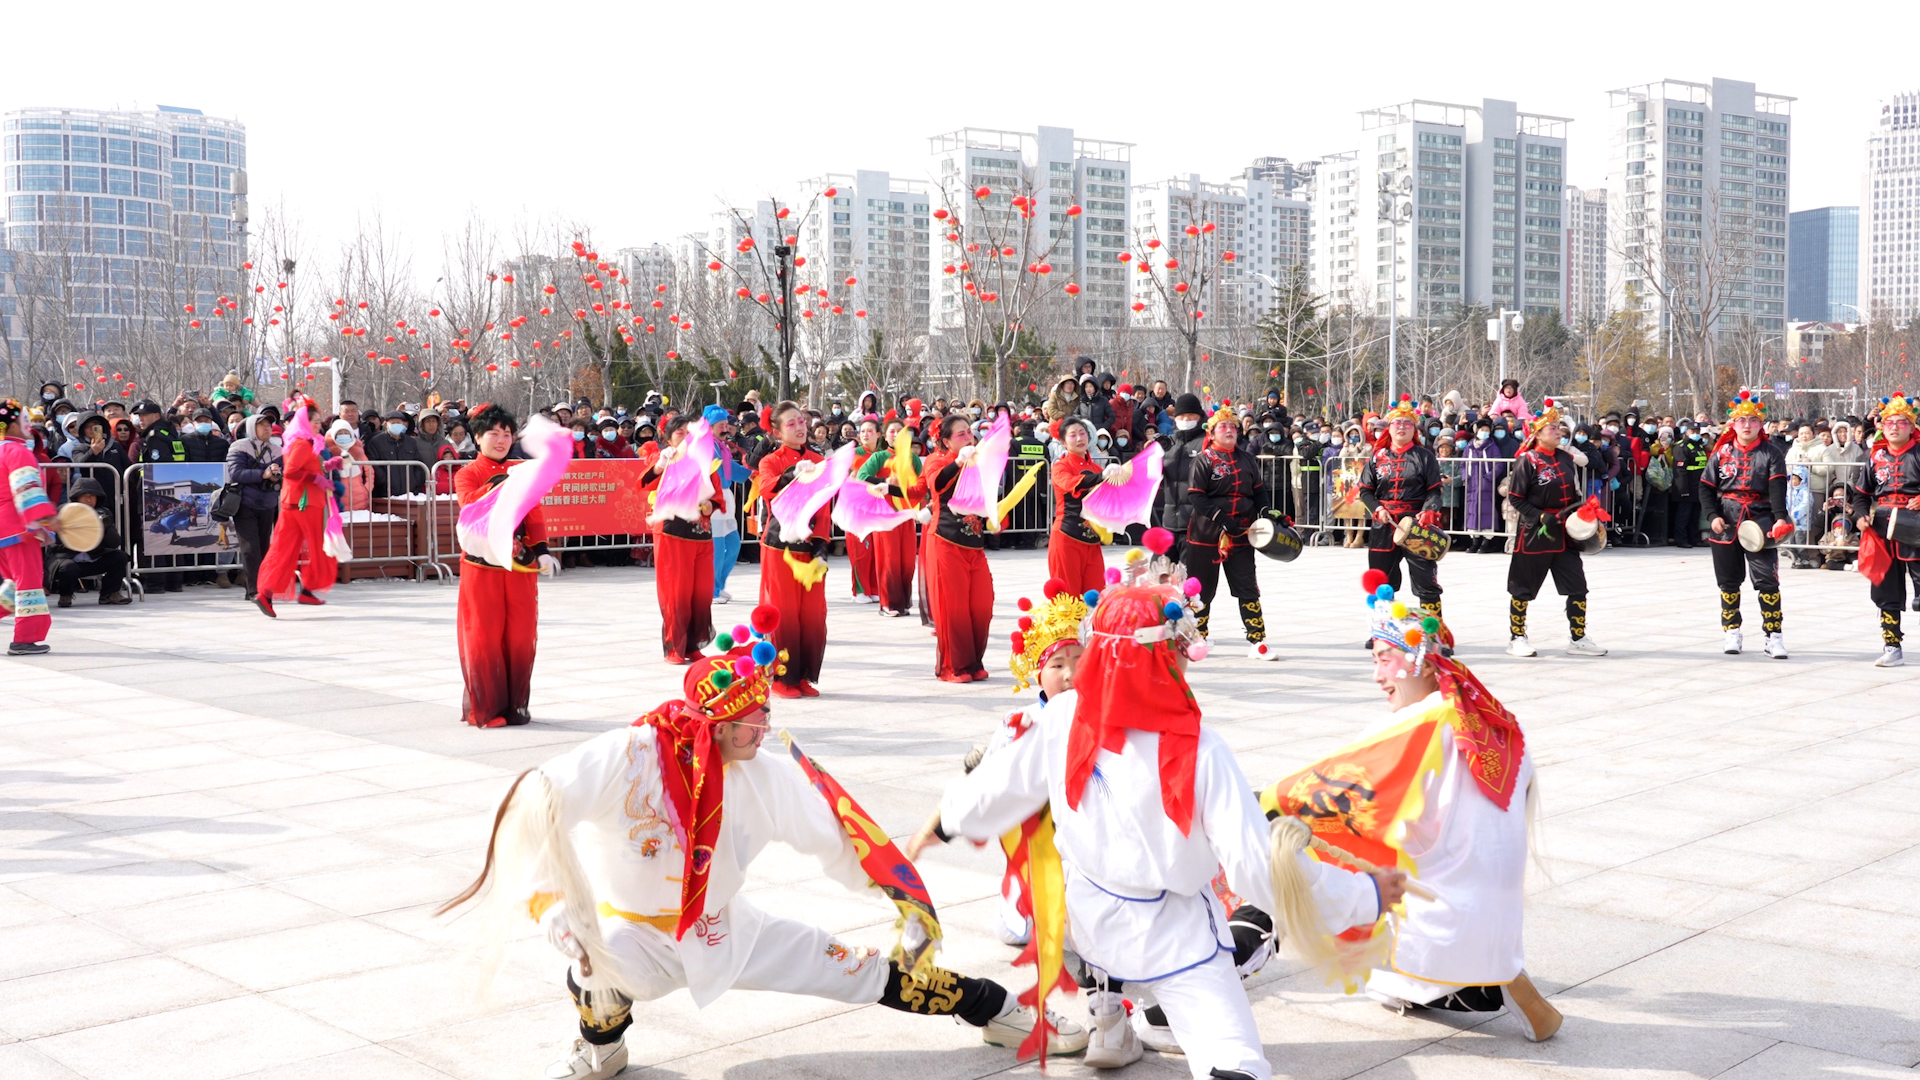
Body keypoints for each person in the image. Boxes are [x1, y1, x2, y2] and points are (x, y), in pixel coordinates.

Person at [439, 631, 1079, 1080]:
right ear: (712, 724)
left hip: (729, 929)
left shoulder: (764, 774)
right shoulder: (629, 754)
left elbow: (836, 837)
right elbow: (537, 804)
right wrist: (555, 908)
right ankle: (600, 1048)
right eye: (752, 720)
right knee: (594, 968)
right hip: (632, 932)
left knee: (858, 971)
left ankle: (998, 1010)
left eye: (766, 714)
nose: (764, 729)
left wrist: (897, 898)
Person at [913, 564, 1401, 1079]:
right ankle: (1128, 1024)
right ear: (1162, 658)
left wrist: (945, 820)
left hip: (1090, 927)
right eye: (1179, 650)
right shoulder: (1202, 752)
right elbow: (1258, 869)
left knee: (1097, 938)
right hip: (1176, 939)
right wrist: (1363, 894)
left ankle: (1108, 1018)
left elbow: (996, 788)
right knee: (1234, 1061)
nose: (1188, 660)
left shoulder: (1060, 717)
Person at [1331, 592, 1561, 1042]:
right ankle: (1492, 973)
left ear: (1423, 663)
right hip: (1496, 913)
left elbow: (1346, 804)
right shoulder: (1497, 723)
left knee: (1313, 859)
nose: (1377, 676)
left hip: (1436, 913)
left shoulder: (1402, 732)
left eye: (1385, 660)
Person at [454, 404, 561, 725]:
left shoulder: (522, 470)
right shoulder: (467, 473)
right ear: (477, 438)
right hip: (482, 567)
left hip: (520, 564)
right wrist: (502, 481)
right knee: (484, 634)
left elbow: (534, 513)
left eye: (507, 434)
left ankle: (516, 705)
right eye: (493, 433)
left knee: (520, 633)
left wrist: (542, 550)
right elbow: (469, 505)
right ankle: (485, 709)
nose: (501, 440)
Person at [1503, 400, 1606, 658]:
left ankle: (1578, 638)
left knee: (1577, 586)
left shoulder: (1565, 457)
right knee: (1522, 587)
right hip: (1535, 534)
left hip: (1564, 534)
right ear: (1537, 433)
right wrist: (1539, 516)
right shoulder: (1527, 461)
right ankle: (1517, 636)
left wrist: (1583, 509)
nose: (1558, 431)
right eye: (1551, 428)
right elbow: (1515, 497)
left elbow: (1573, 492)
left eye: (1559, 427)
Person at [1700, 392, 1792, 659]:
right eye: (1741, 420)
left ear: (1760, 423)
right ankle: (1732, 631)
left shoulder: (1771, 452)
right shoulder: (1721, 452)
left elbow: (1777, 487)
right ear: (1733, 424)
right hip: (1726, 519)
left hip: (1760, 520)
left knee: (1767, 581)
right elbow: (1706, 488)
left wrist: (1779, 518)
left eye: (1753, 420)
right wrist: (1712, 516)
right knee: (1728, 582)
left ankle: (1773, 636)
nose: (1747, 425)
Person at [1185, 409, 1278, 660]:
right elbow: (1196, 496)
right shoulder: (1203, 460)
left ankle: (1257, 641)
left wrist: (1266, 512)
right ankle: (1197, 638)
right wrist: (1222, 519)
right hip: (1207, 534)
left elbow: (1258, 491)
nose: (1229, 430)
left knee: (1247, 585)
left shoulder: (1247, 459)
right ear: (1212, 433)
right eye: (1223, 426)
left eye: (1232, 426)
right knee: (1201, 590)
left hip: (1242, 532)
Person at [754, 400, 832, 698]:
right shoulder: (771, 460)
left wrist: (822, 544)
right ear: (776, 431)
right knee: (784, 612)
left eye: (801, 421)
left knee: (812, 613)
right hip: (780, 546)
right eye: (791, 424)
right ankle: (782, 678)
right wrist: (792, 474)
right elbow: (766, 488)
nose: (800, 427)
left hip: (810, 544)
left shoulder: (817, 458)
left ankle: (802, 676)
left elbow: (824, 506)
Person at [640, 413, 723, 665]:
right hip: (672, 533)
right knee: (676, 591)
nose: (687, 438)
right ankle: (675, 646)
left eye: (691, 433)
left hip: (702, 534)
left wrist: (710, 505)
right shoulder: (664, 458)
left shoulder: (705, 462)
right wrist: (661, 466)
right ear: (668, 438)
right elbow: (645, 482)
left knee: (701, 591)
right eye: (680, 433)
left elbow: (717, 496)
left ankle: (694, 644)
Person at [1359, 396, 1446, 628]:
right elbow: (1365, 491)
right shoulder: (1377, 457)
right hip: (1383, 525)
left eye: (1407, 423)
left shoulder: (1424, 456)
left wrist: (1429, 511)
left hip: (1417, 526)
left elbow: (1435, 491)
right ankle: (1382, 630)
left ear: (1414, 428)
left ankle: (1435, 634)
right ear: (1389, 427)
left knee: (1426, 582)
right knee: (1381, 582)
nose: (1401, 426)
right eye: (1397, 422)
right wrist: (1377, 508)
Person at [921, 415, 995, 683]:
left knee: (982, 604)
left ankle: (974, 661)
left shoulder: (978, 463)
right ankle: (954, 666)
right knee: (953, 607)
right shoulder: (936, 460)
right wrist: (959, 461)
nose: (968, 437)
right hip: (946, 541)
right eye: (961, 434)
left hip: (974, 544)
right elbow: (937, 485)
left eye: (969, 433)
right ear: (946, 441)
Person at [254, 398, 341, 617]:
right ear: (305, 422)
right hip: (303, 504)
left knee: (296, 547)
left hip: (301, 502)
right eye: (315, 421)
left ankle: (304, 590)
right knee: (300, 548)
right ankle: (268, 592)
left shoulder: (308, 442)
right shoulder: (303, 443)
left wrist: (330, 465)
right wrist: (317, 480)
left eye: (320, 421)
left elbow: (310, 466)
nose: (318, 425)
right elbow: (292, 471)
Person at [1850, 393, 1920, 667]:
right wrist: (1859, 516)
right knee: (1885, 589)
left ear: (1912, 426)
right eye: (1888, 421)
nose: (1893, 427)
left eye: (1901, 422)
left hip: (1915, 525)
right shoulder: (1875, 456)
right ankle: (1892, 645)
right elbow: (1860, 494)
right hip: (1883, 526)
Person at [0, 398, 57, 655]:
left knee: (11, 585)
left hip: (4, 530)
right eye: (23, 419)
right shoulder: (17, 451)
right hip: (18, 528)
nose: (28, 424)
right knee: (29, 583)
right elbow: (27, 490)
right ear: (11, 424)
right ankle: (25, 638)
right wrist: (44, 519)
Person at [854, 418, 920, 618]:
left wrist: (920, 508)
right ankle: (887, 603)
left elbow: (921, 485)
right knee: (889, 558)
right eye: (892, 431)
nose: (896, 435)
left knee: (907, 560)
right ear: (886, 436)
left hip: (905, 515)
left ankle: (903, 602)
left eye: (900, 431)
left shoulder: (913, 459)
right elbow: (861, 477)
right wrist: (884, 481)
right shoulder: (879, 457)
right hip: (884, 514)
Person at [1046, 417, 1119, 596]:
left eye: (1082, 433)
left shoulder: (1095, 467)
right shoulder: (1060, 467)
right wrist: (1101, 477)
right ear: (1063, 442)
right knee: (1067, 601)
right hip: (1066, 537)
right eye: (1073, 435)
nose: (1079, 439)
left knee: (1095, 597)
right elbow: (1070, 483)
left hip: (1092, 541)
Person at [224, 415, 283, 603]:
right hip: (244, 503)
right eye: (261, 425)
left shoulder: (277, 449)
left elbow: (285, 474)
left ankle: (262, 587)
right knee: (250, 548)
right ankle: (254, 591)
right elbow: (236, 473)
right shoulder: (239, 447)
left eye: (269, 425)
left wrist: (276, 476)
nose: (267, 428)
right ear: (251, 428)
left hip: (267, 503)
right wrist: (263, 474)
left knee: (264, 547)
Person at [46, 478, 128, 607]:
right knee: (68, 567)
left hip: (94, 558)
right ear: (77, 498)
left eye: (92, 497)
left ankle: (109, 594)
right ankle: (65, 595)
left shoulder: (103, 513)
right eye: (85, 497)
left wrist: (105, 527)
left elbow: (114, 543)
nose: (89, 500)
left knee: (120, 556)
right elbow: (54, 541)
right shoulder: (64, 511)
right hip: (69, 558)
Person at [1159, 393, 1209, 562]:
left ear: (1200, 417)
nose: (1186, 420)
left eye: (1190, 416)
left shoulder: (1207, 442)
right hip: (1169, 521)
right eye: (1181, 416)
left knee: (1190, 579)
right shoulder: (1168, 443)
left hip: (1194, 524)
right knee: (1160, 575)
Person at [705, 406, 747, 606]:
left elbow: (731, 469)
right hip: (713, 498)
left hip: (726, 496)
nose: (725, 428)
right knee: (718, 545)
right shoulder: (706, 446)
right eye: (720, 425)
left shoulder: (721, 446)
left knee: (733, 544)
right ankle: (712, 590)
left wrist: (751, 472)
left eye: (726, 425)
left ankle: (719, 584)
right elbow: (719, 468)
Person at [844, 419, 884, 604]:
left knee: (877, 550)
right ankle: (859, 590)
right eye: (862, 431)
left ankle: (874, 588)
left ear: (878, 434)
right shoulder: (852, 455)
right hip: (856, 508)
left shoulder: (883, 455)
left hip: (877, 507)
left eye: (870, 431)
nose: (865, 434)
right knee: (860, 549)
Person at [1461, 419, 1507, 553]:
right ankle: (1475, 540)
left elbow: (1499, 464)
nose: (1484, 433)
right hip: (1471, 483)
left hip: (1485, 483)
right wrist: (1465, 477)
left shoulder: (1492, 446)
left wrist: (1490, 476)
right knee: (1472, 510)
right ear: (1476, 431)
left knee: (1487, 510)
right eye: (1482, 430)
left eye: (1487, 431)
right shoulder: (1469, 446)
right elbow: (1463, 464)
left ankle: (1486, 541)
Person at [1671, 423, 1709, 547]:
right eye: (1693, 431)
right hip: (1686, 486)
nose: (1696, 433)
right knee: (1684, 515)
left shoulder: (1699, 446)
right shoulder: (1681, 447)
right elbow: (1680, 471)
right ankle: (1681, 539)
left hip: (1698, 486)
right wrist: (1682, 489)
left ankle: (1694, 538)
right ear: (1686, 432)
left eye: (1697, 431)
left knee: (1695, 515)